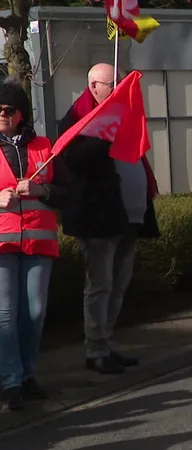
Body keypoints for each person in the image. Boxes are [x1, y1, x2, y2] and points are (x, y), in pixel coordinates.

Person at [57, 63, 159, 375]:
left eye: (119, 81)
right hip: (99, 217)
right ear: (94, 86)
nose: (117, 88)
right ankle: (95, 349)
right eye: (111, 82)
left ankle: (107, 342)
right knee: (100, 285)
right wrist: (103, 134)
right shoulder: (78, 119)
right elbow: (72, 160)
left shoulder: (122, 114)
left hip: (129, 214)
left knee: (118, 285)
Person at [0, 78, 66, 411]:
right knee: (5, 316)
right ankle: (11, 382)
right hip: (1, 245)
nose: (1, 114)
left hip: (38, 243)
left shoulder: (44, 146)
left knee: (35, 313)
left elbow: (65, 191)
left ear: (21, 113)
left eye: (8, 110)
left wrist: (41, 191)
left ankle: (27, 374)